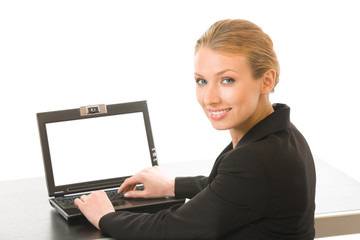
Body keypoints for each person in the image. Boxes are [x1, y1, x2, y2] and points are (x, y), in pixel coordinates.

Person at [74, 19, 316, 239]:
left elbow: (171, 230)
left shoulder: (255, 161)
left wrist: (106, 216)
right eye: (202, 81)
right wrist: (173, 185)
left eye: (227, 80)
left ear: (266, 80)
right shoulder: (284, 135)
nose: (209, 98)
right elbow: (235, 192)